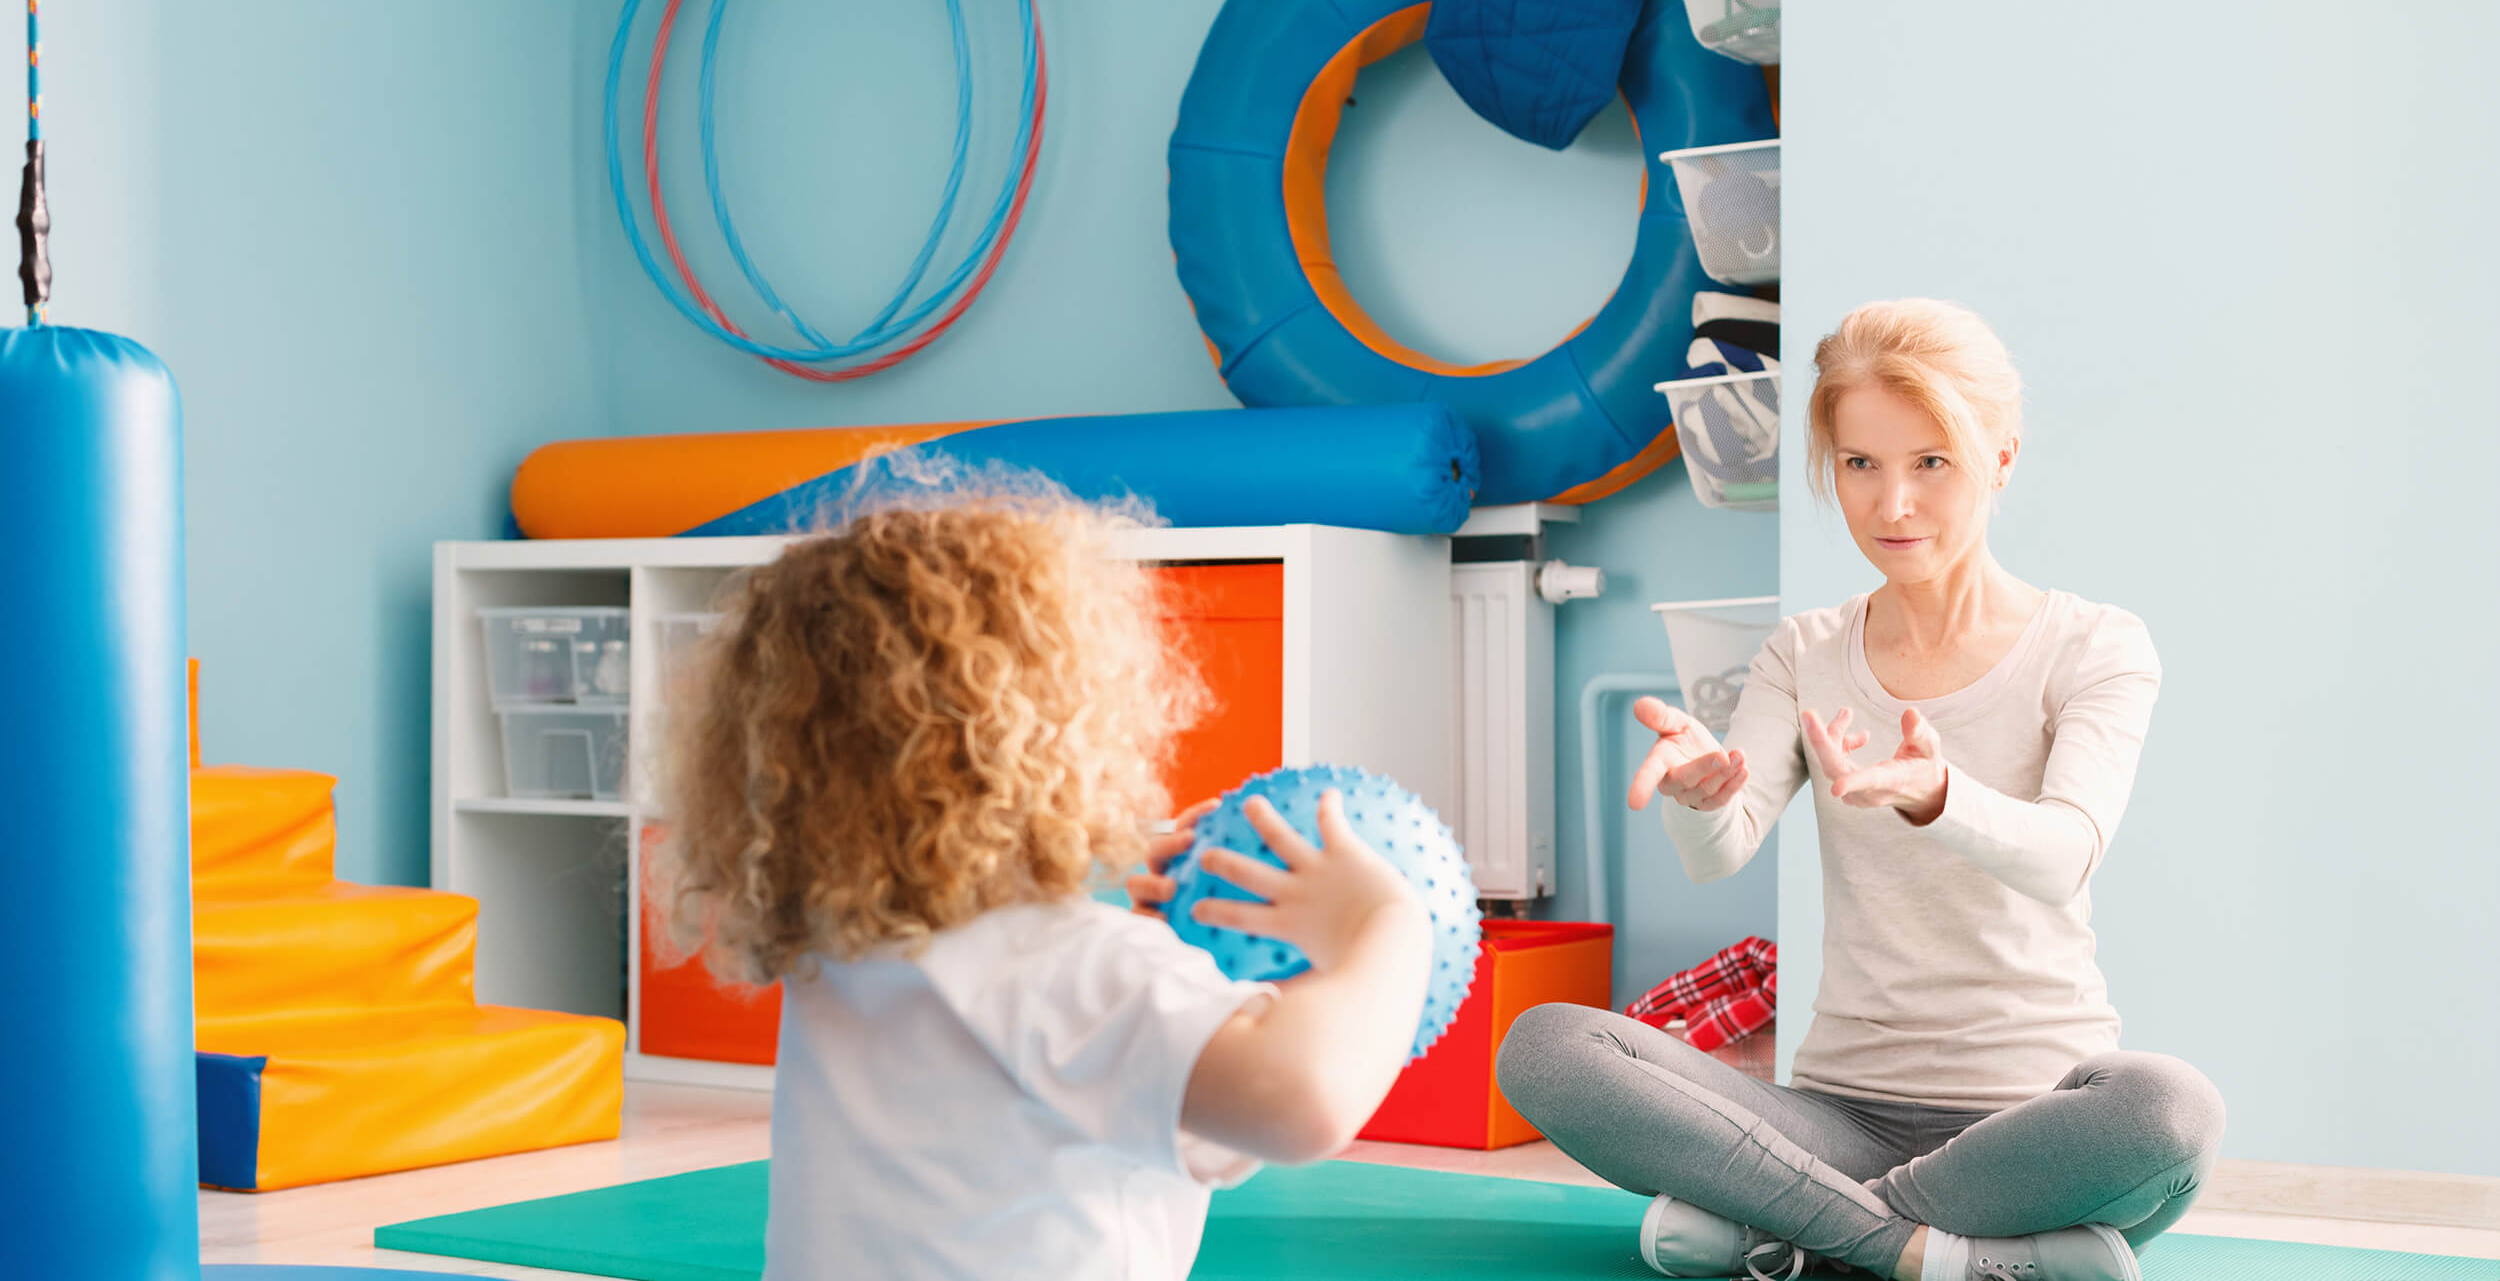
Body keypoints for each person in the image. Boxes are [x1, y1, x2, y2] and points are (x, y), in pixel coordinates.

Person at [1496, 299, 2225, 1281]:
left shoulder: (2094, 645)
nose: (1892, 506)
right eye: (1858, 464)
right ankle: (1937, 1255)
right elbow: (1720, 853)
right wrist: (1703, 795)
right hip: (1836, 1115)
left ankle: (1795, 1235)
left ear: (2000, 458)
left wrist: (1940, 797)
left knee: (2171, 1108)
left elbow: (2062, 856)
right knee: (1547, 1046)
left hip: (2034, 1125)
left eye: (1931, 462)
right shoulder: (1804, 650)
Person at [650, 476, 1431, 1280]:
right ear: (1063, 731)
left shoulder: (850, 958)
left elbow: (1080, 1070)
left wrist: (1165, 965)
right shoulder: (1067, 966)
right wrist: (1387, 927)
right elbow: (1298, 1100)